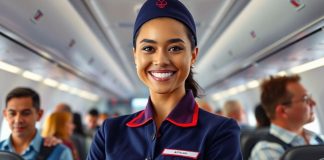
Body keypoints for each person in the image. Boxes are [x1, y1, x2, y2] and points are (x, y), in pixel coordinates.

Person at [87, 0, 242, 159]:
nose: (161, 60)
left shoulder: (219, 131)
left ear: (193, 55)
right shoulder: (109, 133)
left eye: (175, 48)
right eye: (148, 49)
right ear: (135, 55)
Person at [250, 75, 324, 160]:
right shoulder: (266, 151)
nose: (313, 103)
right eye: (305, 99)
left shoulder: (316, 138)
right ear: (282, 111)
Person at [0, 87, 73, 160]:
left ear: (39, 115)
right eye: (12, 113)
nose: (18, 120)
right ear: (5, 115)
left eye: (26, 113)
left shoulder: (59, 153)